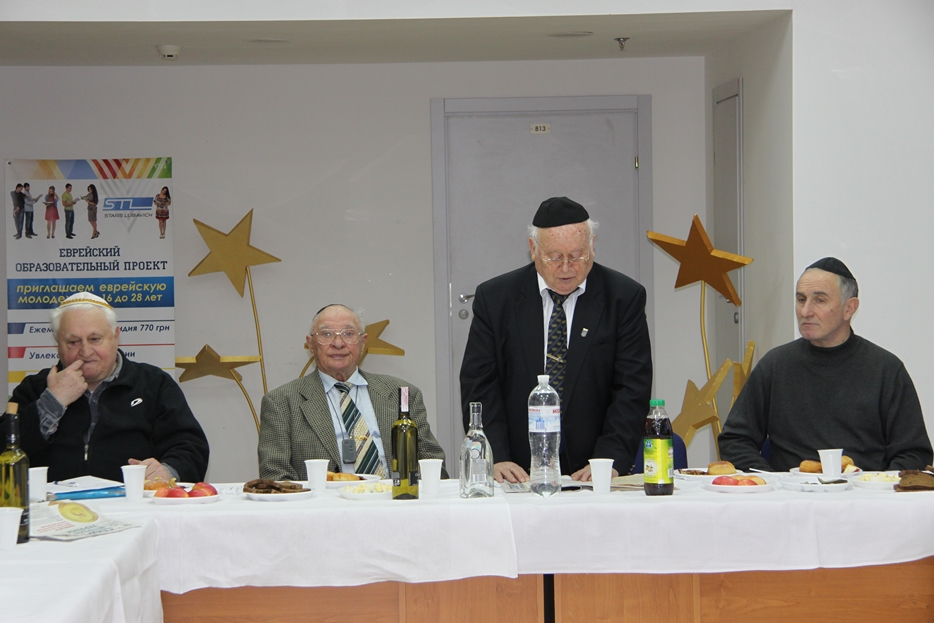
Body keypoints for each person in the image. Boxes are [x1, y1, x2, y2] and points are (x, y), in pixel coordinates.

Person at [460, 197, 653, 483]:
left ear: (592, 245)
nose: (566, 268)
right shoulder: (496, 299)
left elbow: (632, 387)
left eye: (577, 256)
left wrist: (609, 458)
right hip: (516, 469)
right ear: (533, 249)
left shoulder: (623, 298)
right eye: (554, 257)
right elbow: (480, 385)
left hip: (593, 467)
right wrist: (495, 455)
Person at [719, 257, 933, 472]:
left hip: (862, 490)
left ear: (849, 308)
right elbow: (735, 440)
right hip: (790, 490)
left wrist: (878, 485)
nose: (805, 311)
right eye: (801, 299)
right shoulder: (775, 365)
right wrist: (772, 481)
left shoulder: (886, 369)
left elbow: (914, 452)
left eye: (820, 300)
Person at [9, 292, 210, 483]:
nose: (85, 351)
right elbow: (6, 451)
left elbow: (191, 448)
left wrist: (167, 471)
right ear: (58, 344)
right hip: (52, 505)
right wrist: (52, 402)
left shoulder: (154, 383)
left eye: (95, 339)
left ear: (115, 336)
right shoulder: (35, 388)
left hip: (134, 503)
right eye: (73, 342)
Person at [259, 304, 448, 481]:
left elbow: (432, 462)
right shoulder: (281, 402)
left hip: (394, 499)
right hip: (325, 503)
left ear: (363, 342)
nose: (338, 343)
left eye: (348, 334)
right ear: (311, 344)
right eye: (326, 334)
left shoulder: (402, 394)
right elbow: (275, 475)